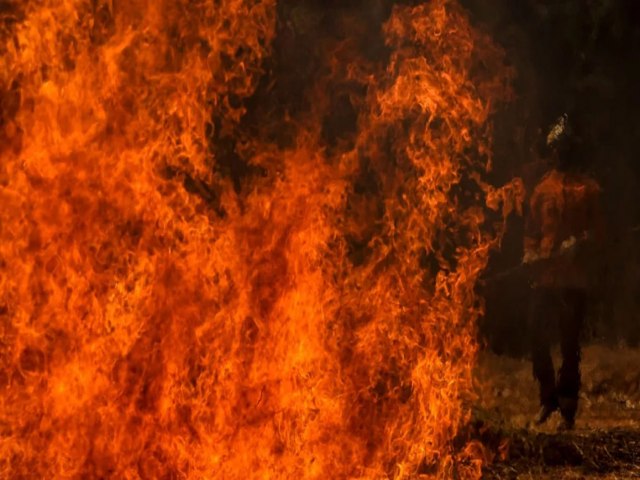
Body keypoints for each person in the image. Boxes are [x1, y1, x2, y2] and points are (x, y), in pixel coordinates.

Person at [523, 113, 603, 430]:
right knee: (535, 335)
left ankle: (568, 407)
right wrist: (529, 253)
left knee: (570, 344)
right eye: (558, 147)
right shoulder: (542, 190)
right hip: (545, 278)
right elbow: (530, 231)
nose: (561, 152)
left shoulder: (590, 190)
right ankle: (548, 398)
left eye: (567, 147)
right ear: (552, 150)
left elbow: (600, 234)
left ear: (573, 150)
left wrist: (580, 242)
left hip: (574, 281)